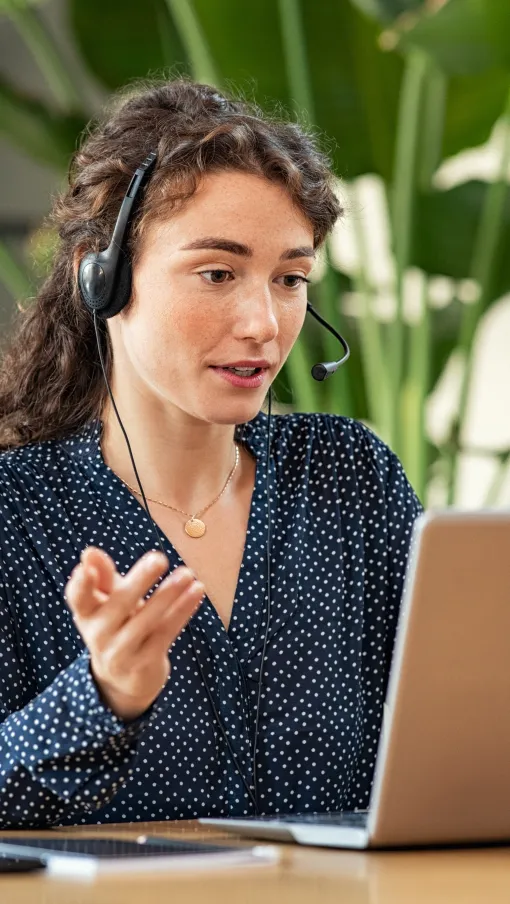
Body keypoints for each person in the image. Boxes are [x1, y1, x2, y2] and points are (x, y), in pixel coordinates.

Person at [0, 78, 422, 829]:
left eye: (291, 279)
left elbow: (454, 733)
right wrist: (104, 697)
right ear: (101, 277)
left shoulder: (349, 478)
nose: (264, 322)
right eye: (218, 273)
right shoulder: (15, 513)